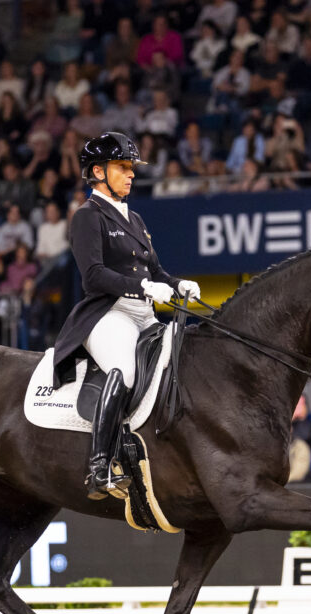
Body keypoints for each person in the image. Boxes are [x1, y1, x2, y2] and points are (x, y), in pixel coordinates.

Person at [51, 133, 198, 500]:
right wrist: (143, 288)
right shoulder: (87, 216)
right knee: (125, 368)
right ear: (98, 172)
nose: (130, 175)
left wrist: (178, 285)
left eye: (131, 168)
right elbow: (94, 276)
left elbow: (156, 271)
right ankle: (99, 465)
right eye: (123, 167)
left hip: (142, 314)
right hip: (107, 313)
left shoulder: (134, 217)